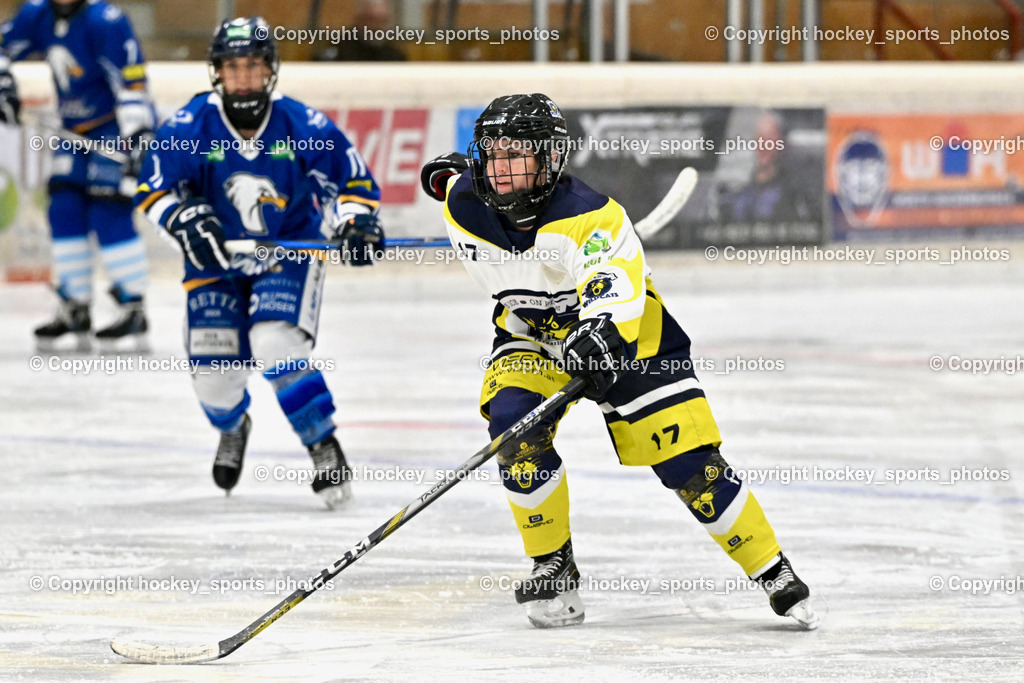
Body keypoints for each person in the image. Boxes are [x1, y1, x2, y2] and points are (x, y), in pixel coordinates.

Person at [420, 93, 819, 629]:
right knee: (514, 429)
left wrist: (600, 332)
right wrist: (446, 173)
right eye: (493, 155)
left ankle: (770, 568)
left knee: (687, 464)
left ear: (551, 159)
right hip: (533, 332)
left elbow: (618, 296)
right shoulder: (465, 201)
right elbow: (451, 178)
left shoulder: (593, 218)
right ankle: (553, 568)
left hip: (629, 339)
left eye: (518, 155)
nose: (502, 169)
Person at [133, 16, 383, 509]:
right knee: (215, 382)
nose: (242, 78)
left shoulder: (302, 124)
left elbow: (353, 183)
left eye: (252, 66)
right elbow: (152, 187)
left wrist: (354, 223)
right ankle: (234, 424)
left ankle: (321, 442)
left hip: (285, 251)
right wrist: (182, 219)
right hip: (216, 261)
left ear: (269, 71)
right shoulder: (190, 125)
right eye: (232, 67)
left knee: (275, 344)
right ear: (217, 72)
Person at [0, 0, 155, 351]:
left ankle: (133, 305)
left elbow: (131, 83)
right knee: (64, 208)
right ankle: (75, 305)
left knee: (107, 208)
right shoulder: (35, 14)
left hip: (114, 129)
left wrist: (138, 137)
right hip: (72, 131)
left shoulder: (107, 21)